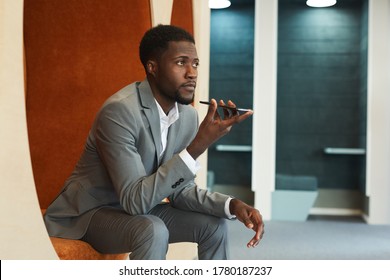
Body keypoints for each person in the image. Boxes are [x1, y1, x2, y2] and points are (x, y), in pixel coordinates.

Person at [44, 24, 264, 260]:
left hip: (138, 210)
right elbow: (134, 201)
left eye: (195, 63)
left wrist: (231, 205)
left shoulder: (187, 115)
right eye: (181, 62)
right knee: (152, 230)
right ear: (152, 67)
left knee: (214, 225)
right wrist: (198, 146)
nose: (192, 72)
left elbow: (179, 190)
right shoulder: (119, 112)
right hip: (90, 213)